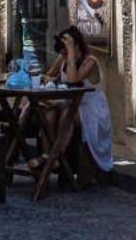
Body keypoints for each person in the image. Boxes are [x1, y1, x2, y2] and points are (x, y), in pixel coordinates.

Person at [43, 25, 113, 175]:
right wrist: (53, 80)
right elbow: (47, 76)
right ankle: (47, 156)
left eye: (65, 51)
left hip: (92, 109)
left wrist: (71, 55)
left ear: (74, 47)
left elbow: (73, 80)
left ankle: (56, 156)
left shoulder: (90, 62)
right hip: (72, 103)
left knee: (67, 114)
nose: (63, 54)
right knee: (49, 113)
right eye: (62, 52)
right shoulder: (63, 58)